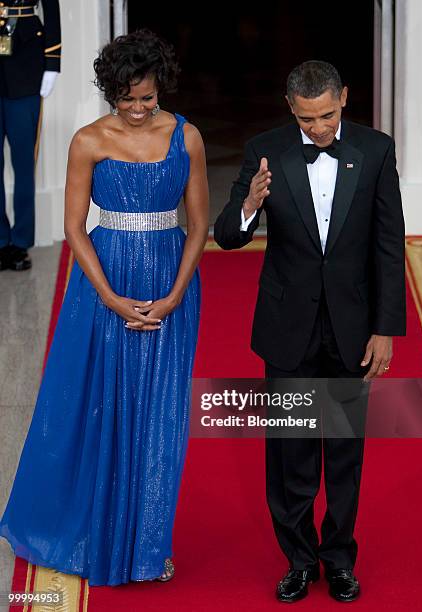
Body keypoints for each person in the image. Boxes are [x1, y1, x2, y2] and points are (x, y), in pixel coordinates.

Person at [0, 28, 208, 586]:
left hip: (171, 285)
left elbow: (198, 224)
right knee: (100, 405)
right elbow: (73, 228)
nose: (138, 109)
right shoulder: (89, 140)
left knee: (161, 416)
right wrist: (112, 298)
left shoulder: (186, 137)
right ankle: (93, 529)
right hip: (104, 285)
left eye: (148, 97)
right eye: (127, 98)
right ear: (109, 91)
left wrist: (176, 293)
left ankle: (148, 546)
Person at [214, 60, 405, 603]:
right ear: (289, 107)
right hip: (289, 329)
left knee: (345, 452)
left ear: (344, 97)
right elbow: (226, 235)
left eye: (327, 116)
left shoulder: (375, 149)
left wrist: (385, 329)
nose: (319, 128)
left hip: (352, 329)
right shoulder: (265, 149)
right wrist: (250, 202)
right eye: (307, 120)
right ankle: (299, 560)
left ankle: (339, 560)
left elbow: (389, 244)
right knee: (292, 453)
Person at [0, 0, 61, 271]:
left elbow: (51, 9)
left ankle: (20, 242)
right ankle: (0, 240)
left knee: (24, 164)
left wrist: (52, 63)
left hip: (26, 64)